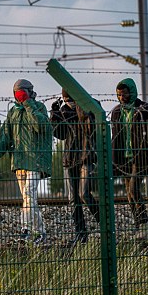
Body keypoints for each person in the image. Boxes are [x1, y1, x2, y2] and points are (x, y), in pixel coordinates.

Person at [0, 79, 52, 245]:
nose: (20, 96)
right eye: (17, 93)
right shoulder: (13, 112)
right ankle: (41, 233)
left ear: (30, 92)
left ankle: (26, 230)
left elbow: (41, 126)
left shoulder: (39, 108)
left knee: (29, 195)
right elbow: (4, 136)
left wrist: (29, 105)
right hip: (19, 161)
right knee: (28, 199)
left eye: (23, 92)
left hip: (35, 161)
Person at [110, 78, 148, 233]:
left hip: (141, 156)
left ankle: (143, 221)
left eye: (124, 93)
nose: (121, 97)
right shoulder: (117, 112)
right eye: (119, 94)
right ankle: (138, 222)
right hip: (124, 157)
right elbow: (115, 135)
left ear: (131, 92)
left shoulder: (145, 109)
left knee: (133, 188)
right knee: (129, 193)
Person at [51, 88, 99, 246]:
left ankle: (104, 223)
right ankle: (81, 234)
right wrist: (55, 115)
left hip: (86, 156)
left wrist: (82, 109)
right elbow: (60, 134)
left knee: (84, 193)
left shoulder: (89, 107)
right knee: (73, 199)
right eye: (65, 100)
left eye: (70, 99)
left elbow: (94, 126)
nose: (68, 103)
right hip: (70, 158)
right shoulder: (64, 111)